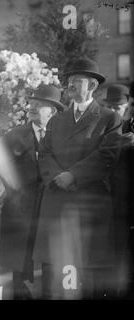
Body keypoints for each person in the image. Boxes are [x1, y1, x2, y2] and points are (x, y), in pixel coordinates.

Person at [35, 58, 122, 299]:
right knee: (54, 277)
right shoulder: (56, 120)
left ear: (92, 86)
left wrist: (72, 175)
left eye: (76, 81)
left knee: (86, 279)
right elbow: (44, 153)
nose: (69, 85)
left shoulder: (109, 119)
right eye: (69, 81)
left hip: (88, 208)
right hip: (56, 205)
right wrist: (57, 177)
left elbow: (107, 156)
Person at [0, 84, 65, 299]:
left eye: (39, 104)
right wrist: (15, 191)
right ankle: (19, 287)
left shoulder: (61, 137)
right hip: (21, 204)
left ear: (52, 111)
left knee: (50, 254)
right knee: (19, 253)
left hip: (50, 204)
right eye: (31, 103)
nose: (32, 107)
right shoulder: (14, 135)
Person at [105, 82, 134, 298]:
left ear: (127, 107)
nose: (115, 112)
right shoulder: (104, 127)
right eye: (111, 107)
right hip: (107, 199)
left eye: (119, 108)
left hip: (126, 201)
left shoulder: (130, 130)